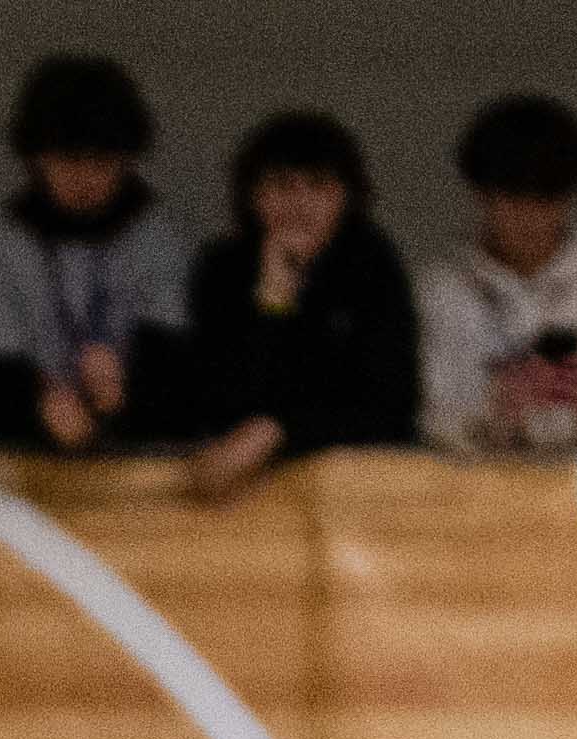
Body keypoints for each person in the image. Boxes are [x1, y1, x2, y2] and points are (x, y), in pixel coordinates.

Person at [0, 56, 190, 452]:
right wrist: (37, 398)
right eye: (68, 160)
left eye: (101, 162)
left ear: (127, 159)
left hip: (139, 451)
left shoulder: (157, 240)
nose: (85, 179)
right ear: (35, 157)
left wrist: (129, 389)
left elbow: (176, 367)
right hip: (28, 455)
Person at [423, 93, 577, 454]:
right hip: (470, 499)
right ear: (480, 194)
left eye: (545, 199)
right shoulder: (437, 295)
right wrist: (491, 413)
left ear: (570, 197)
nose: (530, 218)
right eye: (513, 197)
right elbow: (411, 425)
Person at [176, 113, 415, 489]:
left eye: (318, 185)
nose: (299, 202)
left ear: (346, 196)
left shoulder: (372, 265)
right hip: (241, 488)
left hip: (356, 483)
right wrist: (273, 300)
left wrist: (283, 429)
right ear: (253, 194)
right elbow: (214, 403)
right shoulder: (223, 268)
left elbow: (390, 407)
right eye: (282, 184)